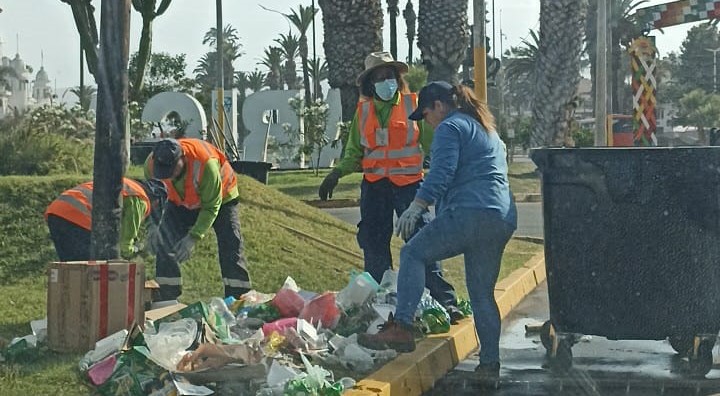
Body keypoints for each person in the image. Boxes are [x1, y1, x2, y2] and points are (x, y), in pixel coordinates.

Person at [357, 81, 517, 388]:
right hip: (500, 217)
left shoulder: (450, 127)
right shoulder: (486, 129)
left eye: (426, 113)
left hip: (471, 213)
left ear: (439, 106)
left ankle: (402, 326)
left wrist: (417, 206)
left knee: (413, 253)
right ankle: (489, 365)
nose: (426, 121)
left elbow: (442, 172)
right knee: (482, 294)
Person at [318, 52, 461, 318]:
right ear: (370, 83)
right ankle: (378, 302)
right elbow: (354, 152)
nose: (386, 81)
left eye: (390, 76)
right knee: (373, 243)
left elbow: (437, 144)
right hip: (374, 187)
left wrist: (449, 176)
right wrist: (336, 174)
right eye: (380, 77)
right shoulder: (363, 111)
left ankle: (444, 301)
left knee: (422, 240)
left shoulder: (415, 106)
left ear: (398, 78)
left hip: (409, 186)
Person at [145, 137, 251, 301]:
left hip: (222, 199)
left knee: (231, 245)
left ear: (182, 157)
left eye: (172, 169)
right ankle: (166, 299)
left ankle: (238, 298)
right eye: (164, 170)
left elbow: (210, 207)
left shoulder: (205, 164)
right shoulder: (152, 166)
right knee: (165, 240)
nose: (168, 175)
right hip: (180, 201)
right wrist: (153, 227)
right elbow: (153, 198)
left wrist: (192, 238)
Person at [45, 177, 167, 261]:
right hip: (79, 217)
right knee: (90, 267)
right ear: (156, 201)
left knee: (69, 268)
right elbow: (125, 245)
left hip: (56, 212)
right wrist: (137, 251)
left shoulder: (126, 184)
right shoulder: (140, 198)